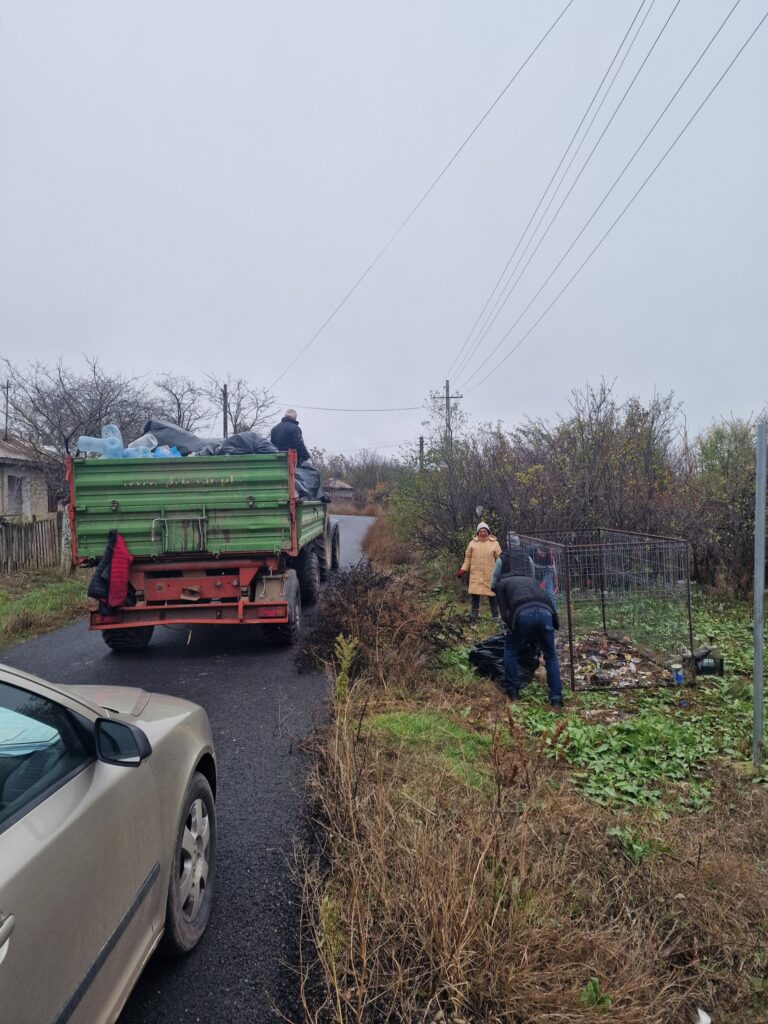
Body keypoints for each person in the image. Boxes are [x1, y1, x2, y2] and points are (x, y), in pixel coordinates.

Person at [493, 542, 563, 708]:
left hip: (523, 614)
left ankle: (513, 691)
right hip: (547, 614)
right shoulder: (531, 581)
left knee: (510, 650)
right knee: (550, 656)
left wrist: (513, 629)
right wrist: (554, 624)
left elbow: (505, 614)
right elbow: (547, 600)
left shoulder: (502, 585)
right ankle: (556, 698)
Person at [458, 522, 501, 622]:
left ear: (488, 532)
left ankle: (495, 618)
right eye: (481, 531)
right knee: (475, 597)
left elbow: (500, 560)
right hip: (476, 575)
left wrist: (501, 572)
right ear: (478, 532)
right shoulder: (472, 543)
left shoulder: (495, 543)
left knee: (493, 597)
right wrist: (463, 569)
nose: (483, 533)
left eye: (485, 531)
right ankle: (474, 617)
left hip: (490, 575)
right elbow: (468, 559)